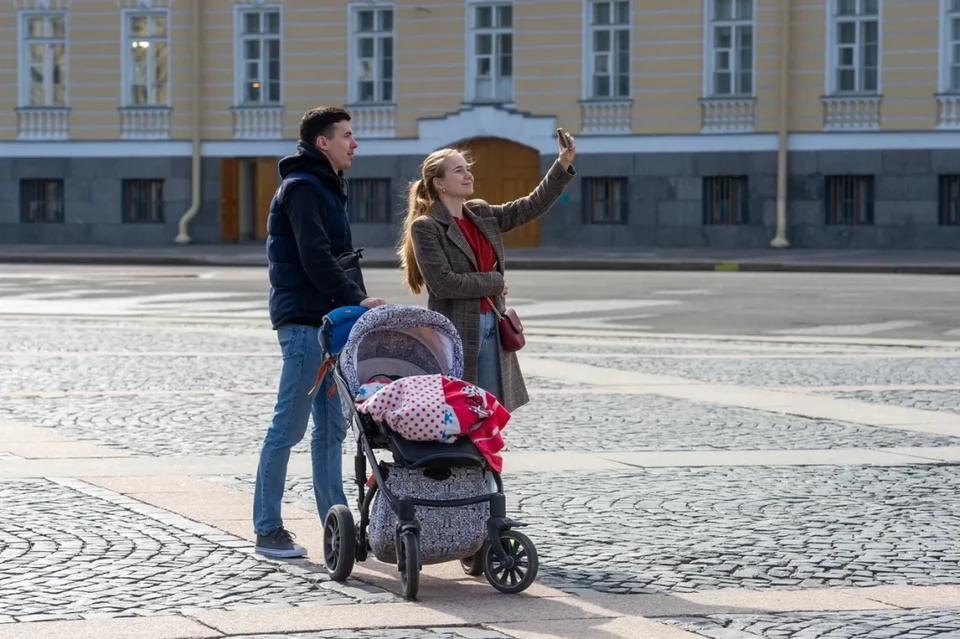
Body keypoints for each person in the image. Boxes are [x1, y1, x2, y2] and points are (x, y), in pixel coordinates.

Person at [254, 106, 385, 558]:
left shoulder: (326, 186)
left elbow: (335, 254)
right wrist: (356, 296)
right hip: (306, 326)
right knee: (287, 426)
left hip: (329, 326)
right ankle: (268, 529)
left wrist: (350, 301)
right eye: (347, 135)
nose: (355, 143)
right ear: (322, 142)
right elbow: (314, 256)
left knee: (331, 430)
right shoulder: (303, 188)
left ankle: (336, 525)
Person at [397, 132, 576, 413]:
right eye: (459, 170)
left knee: (493, 411)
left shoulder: (480, 213)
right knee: (462, 411)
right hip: (456, 331)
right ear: (439, 183)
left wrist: (562, 163)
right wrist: (495, 281)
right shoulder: (426, 226)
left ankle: (489, 459)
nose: (468, 175)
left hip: (493, 324)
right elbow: (444, 283)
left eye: (467, 169)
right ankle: (464, 459)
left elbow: (530, 206)